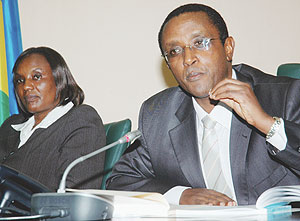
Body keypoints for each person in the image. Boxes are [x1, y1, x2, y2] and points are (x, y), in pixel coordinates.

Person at [106, 3, 300, 206]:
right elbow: (119, 182)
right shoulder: (157, 115)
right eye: (174, 51)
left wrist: (267, 124)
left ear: (228, 48)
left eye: (200, 43)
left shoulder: (286, 96)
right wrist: (179, 195)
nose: (188, 59)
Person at [0, 47, 106, 191]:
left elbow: (74, 196)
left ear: (59, 78)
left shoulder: (80, 120)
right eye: (20, 80)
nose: (26, 86)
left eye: (36, 77)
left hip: (30, 212)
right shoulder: (10, 125)